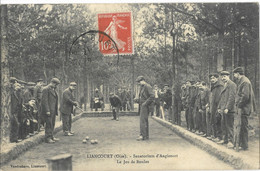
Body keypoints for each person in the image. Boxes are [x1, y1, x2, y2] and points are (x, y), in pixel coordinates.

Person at [233, 67, 256, 151]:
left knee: (243, 127)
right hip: (242, 108)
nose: (234, 76)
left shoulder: (245, 82)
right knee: (242, 126)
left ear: (238, 74)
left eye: (235, 74)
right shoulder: (243, 81)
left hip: (244, 108)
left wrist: (239, 105)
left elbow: (245, 96)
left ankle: (244, 146)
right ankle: (242, 144)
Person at [217, 71, 237, 148]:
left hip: (229, 109)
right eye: (222, 77)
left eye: (224, 76)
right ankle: (224, 139)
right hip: (223, 109)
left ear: (228, 76)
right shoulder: (224, 85)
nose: (223, 78)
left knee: (229, 126)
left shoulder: (232, 85)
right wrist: (219, 107)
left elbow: (232, 97)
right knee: (223, 125)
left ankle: (231, 141)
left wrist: (227, 108)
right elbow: (221, 98)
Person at [135, 76, 154, 141]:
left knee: (143, 121)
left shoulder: (147, 86)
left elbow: (152, 96)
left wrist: (145, 103)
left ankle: (143, 135)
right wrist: (137, 100)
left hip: (146, 106)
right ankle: (144, 135)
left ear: (143, 80)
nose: (138, 84)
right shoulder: (142, 87)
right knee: (143, 121)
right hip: (142, 105)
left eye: (139, 82)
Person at [41, 78, 60, 143]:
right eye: (56, 84)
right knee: (49, 124)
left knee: (52, 123)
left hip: (53, 110)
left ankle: (51, 136)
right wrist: (47, 110)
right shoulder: (46, 89)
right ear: (53, 83)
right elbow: (44, 101)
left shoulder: (53, 89)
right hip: (48, 111)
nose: (56, 86)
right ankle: (47, 138)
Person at [208, 73, 223, 142]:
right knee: (213, 121)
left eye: (213, 78)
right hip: (213, 107)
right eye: (211, 78)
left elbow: (220, 98)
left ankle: (219, 137)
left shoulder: (219, 86)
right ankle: (214, 135)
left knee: (218, 121)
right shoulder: (213, 87)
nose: (212, 79)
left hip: (217, 107)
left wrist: (219, 108)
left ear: (217, 78)